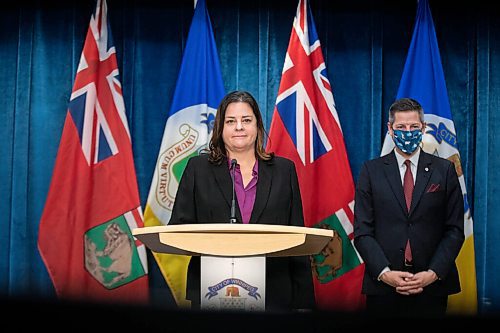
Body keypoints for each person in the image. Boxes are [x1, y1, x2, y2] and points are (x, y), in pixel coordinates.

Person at [169, 90, 315, 312]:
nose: (239, 127)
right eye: (231, 121)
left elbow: (297, 238)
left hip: (275, 293)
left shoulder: (284, 171)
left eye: (246, 120)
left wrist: (304, 303)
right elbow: (179, 228)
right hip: (211, 288)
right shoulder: (197, 169)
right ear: (221, 128)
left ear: (257, 126)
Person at [353, 97, 464, 317]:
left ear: (423, 128)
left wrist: (433, 273)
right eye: (401, 127)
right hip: (383, 288)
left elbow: (454, 229)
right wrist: (385, 273)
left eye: (414, 127)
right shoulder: (371, 171)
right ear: (390, 129)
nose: (408, 132)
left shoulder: (445, 170)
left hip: (432, 287)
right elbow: (363, 232)